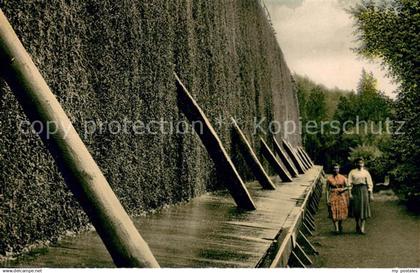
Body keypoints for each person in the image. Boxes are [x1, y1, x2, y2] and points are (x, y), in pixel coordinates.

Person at [348, 158, 374, 234]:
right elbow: (349, 183)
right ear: (356, 164)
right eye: (358, 163)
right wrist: (350, 193)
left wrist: (371, 194)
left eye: (361, 163)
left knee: (364, 208)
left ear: (363, 164)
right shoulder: (352, 172)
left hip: (364, 190)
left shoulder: (366, 172)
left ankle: (362, 228)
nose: (360, 164)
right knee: (356, 209)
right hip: (355, 190)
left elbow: (370, 183)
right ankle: (357, 224)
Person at [326, 163, 349, 234]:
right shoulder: (329, 179)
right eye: (335, 168)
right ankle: (336, 229)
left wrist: (343, 189)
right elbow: (327, 190)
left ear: (339, 169)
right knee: (334, 210)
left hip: (341, 196)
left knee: (341, 211)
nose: (336, 170)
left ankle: (340, 224)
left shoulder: (343, 178)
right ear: (332, 169)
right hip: (333, 195)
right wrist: (327, 199)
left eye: (337, 168)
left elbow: (348, 186)